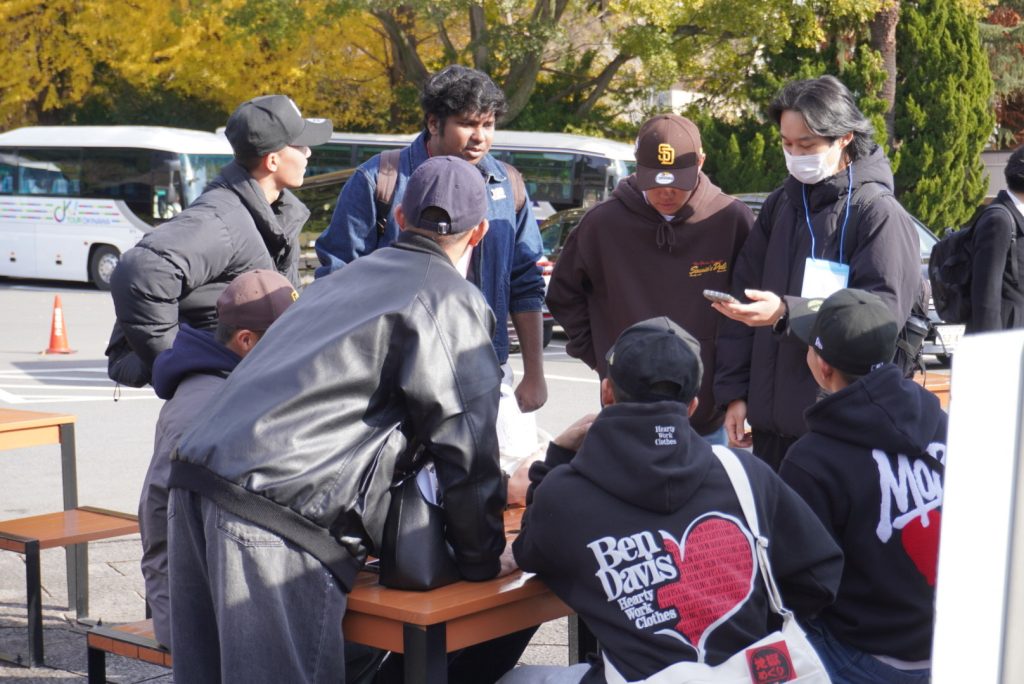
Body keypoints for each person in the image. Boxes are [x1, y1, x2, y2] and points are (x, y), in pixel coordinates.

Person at [165, 156, 511, 683]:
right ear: (480, 232)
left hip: (195, 479)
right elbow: (467, 445)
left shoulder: (336, 282)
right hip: (275, 510)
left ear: (399, 217)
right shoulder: (449, 298)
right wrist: (483, 559)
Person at [499, 317, 843, 684]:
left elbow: (531, 552)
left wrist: (556, 455)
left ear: (607, 393)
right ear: (692, 405)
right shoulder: (745, 474)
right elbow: (819, 578)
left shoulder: (565, 493)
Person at [713, 75, 920, 470]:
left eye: (806, 145)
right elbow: (743, 300)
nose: (795, 155)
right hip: (770, 433)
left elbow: (879, 318)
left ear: (844, 137)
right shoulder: (781, 204)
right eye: (787, 144)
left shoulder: (876, 212)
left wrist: (786, 314)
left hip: (839, 433)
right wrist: (734, 394)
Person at [314, 64, 547, 414]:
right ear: (434, 123)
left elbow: (526, 281)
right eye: (467, 124)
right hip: (391, 372)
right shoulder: (380, 179)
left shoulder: (506, 184)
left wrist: (535, 374)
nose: (480, 137)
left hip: (484, 367)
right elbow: (337, 278)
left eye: (488, 124)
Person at [545, 113, 753, 443]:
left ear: (700, 162)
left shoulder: (731, 219)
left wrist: (736, 391)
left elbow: (749, 312)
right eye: (654, 181)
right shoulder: (602, 223)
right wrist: (605, 359)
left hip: (708, 415)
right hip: (626, 411)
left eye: (677, 182)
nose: (665, 192)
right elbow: (563, 296)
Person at [779, 288, 947, 683]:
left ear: (822, 366)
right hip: (950, 639)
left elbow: (800, 584)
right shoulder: (940, 420)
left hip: (868, 655)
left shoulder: (810, 461)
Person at [107, 94, 332, 387]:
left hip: (244, 386)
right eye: (300, 146)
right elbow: (140, 271)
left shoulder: (273, 214)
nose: (308, 153)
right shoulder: (223, 218)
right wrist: (172, 361)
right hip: (214, 392)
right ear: (273, 160)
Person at [138, 269, 298, 648]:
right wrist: (179, 626)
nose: (298, 348)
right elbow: (158, 520)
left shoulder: (237, 382)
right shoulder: (202, 409)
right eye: (287, 337)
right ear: (245, 340)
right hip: (202, 613)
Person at [968, 144, 1024, 333]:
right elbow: (986, 295)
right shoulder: (999, 220)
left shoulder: (1016, 216)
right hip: (1004, 339)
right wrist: (992, 346)